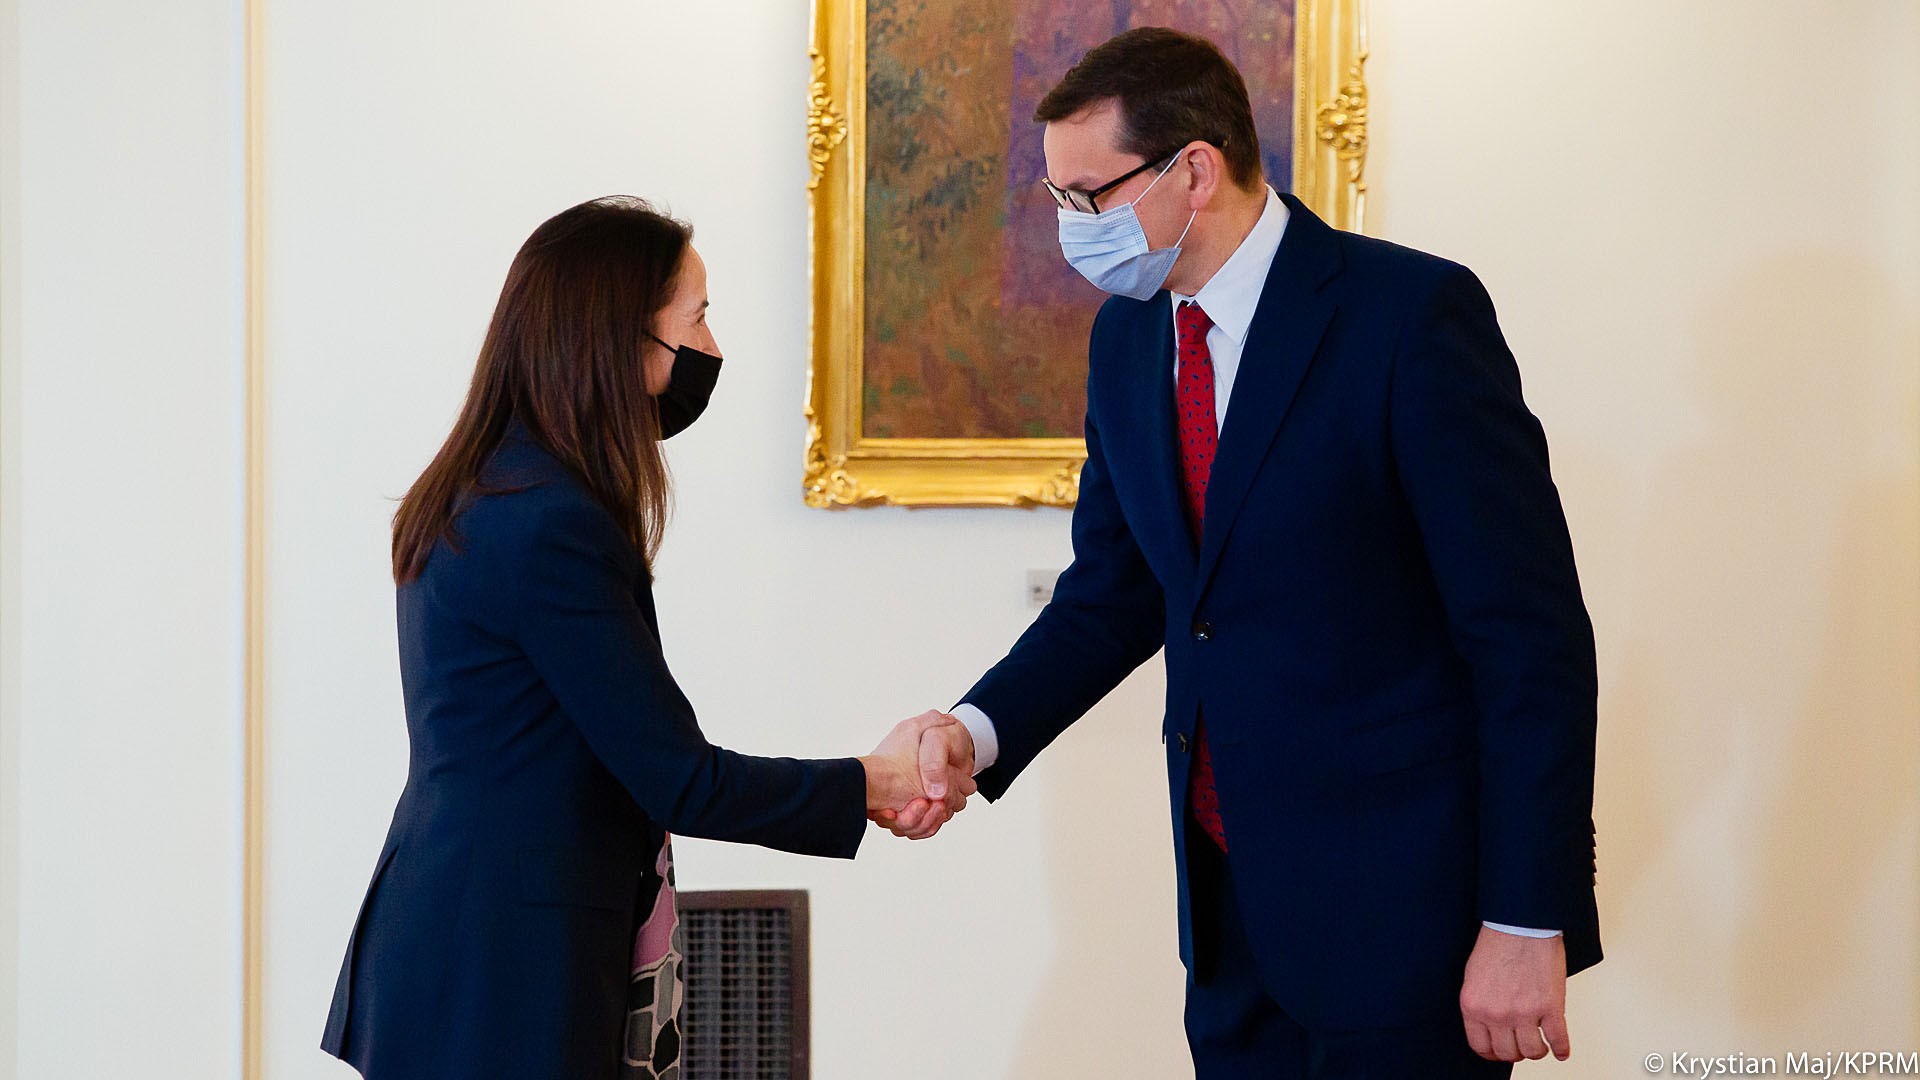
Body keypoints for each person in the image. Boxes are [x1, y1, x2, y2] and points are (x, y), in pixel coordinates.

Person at [878, 27, 1601, 1078]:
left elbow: (1529, 640)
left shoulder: (1408, 316)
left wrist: (1527, 917)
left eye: (1088, 196)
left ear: (1195, 171)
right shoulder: (1127, 338)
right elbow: (1115, 593)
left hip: (1409, 921)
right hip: (1228, 921)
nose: (1069, 227)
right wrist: (973, 732)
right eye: (1056, 197)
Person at [319, 196, 972, 1080]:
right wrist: (878, 779)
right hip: (501, 969)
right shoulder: (547, 522)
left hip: (466, 942)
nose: (712, 346)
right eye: (696, 318)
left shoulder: (499, 487)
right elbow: (681, 781)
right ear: (619, 339)